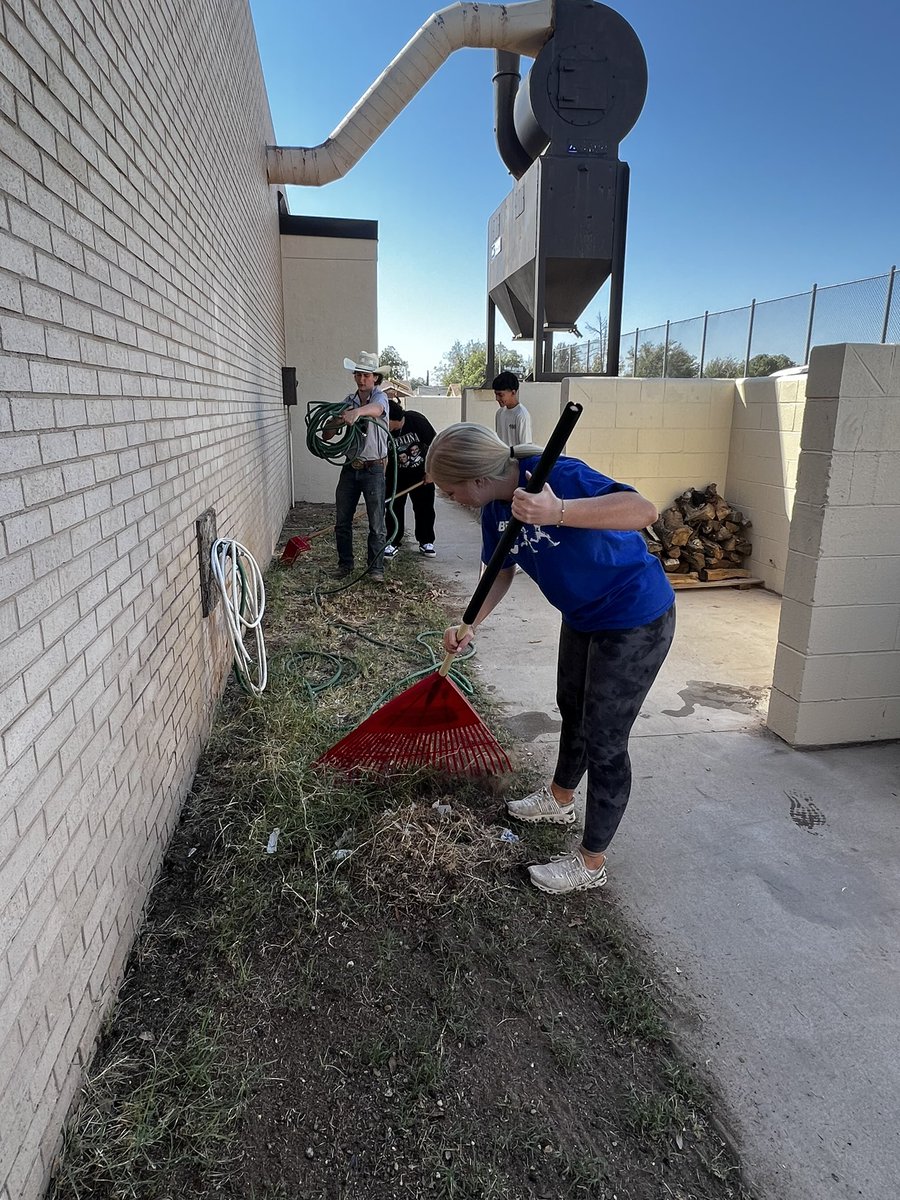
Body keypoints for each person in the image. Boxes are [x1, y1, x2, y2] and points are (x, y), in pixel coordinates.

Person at [425, 423, 676, 896]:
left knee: (605, 738)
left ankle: (590, 862)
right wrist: (469, 622)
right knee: (572, 709)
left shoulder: (558, 476)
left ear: (476, 479)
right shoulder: (495, 508)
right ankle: (560, 798)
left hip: (633, 617)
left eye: (450, 488)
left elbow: (643, 510)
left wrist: (557, 510)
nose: (450, 497)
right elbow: (500, 569)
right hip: (581, 616)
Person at [325, 350, 390, 582]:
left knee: (376, 522)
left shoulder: (379, 398)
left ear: (375, 378)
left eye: (367, 375)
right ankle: (345, 565)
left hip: (373, 468)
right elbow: (326, 435)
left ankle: (376, 569)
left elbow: (377, 410)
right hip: (351, 466)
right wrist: (336, 419)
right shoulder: (347, 401)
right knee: (342, 520)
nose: (362, 379)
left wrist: (357, 413)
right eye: (358, 375)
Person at [385, 399, 438, 558]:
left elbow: (435, 445)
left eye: (385, 419)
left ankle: (426, 541)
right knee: (393, 508)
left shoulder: (417, 421)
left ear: (394, 419)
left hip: (421, 474)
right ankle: (392, 541)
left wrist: (431, 471)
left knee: (425, 508)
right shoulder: (383, 430)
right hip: (396, 476)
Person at [492, 370, 532, 447]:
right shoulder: (499, 413)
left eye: (500, 395)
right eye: (496, 394)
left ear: (513, 392)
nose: (497, 398)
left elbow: (526, 447)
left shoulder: (521, 415)